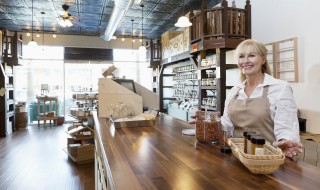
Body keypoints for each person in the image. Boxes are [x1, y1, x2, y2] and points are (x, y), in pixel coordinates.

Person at [191, 39, 302, 157]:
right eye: (241, 56)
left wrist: (285, 142)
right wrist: (208, 120)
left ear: (263, 59)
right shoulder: (235, 91)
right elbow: (226, 126)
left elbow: (287, 128)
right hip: (237, 157)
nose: (245, 61)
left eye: (251, 55)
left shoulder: (280, 88)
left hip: (268, 158)